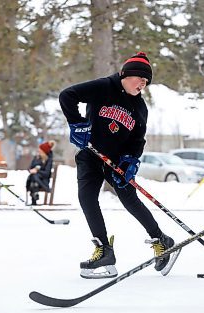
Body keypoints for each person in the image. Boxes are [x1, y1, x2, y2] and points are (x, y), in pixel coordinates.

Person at [59, 52, 179, 279]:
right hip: (91, 153)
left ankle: (161, 239)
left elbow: (138, 140)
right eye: (140, 79)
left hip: (116, 161)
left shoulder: (140, 107)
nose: (143, 84)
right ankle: (104, 249)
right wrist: (77, 124)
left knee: (129, 200)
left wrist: (131, 160)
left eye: (146, 82)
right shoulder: (104, 86)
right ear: (126, 75)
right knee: (86, 197)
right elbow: (68, 95)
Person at [26, 140, 55, 205]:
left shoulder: (48, 160)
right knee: (33, 177)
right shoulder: (36, 158)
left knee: (34, 176)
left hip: (43, 181)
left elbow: (47, 173)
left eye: (40, 150)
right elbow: (29, 167)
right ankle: (35, 195)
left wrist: (37, 171)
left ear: (44, 152)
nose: (38, 151)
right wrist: (31, 170)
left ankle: (34, 199)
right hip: (35, 181)